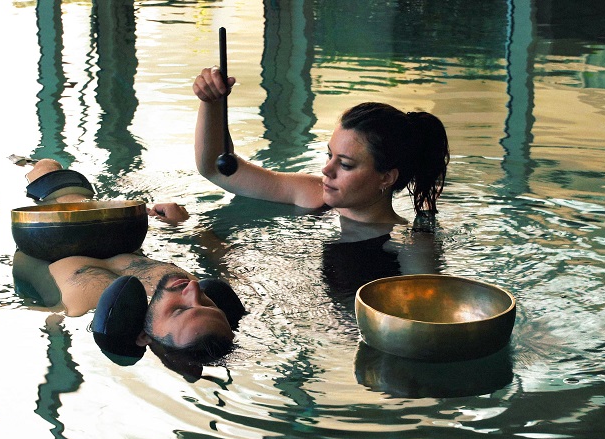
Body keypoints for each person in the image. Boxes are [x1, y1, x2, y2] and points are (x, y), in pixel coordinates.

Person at [0, 124, 242, 364]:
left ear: (144, 335)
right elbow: (221, 259)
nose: (193, 290)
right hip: (96, 228)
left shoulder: (70, 314)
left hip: (12, 244)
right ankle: (0, 147)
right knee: (48, 168)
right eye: (206, 301)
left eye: (180, 311)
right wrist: (186, 226)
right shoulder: (185, 285)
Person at [192, 67, 449, 284]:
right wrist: (211, 102)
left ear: (386, 178)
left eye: (345, 165)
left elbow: (424, 320)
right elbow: (217, 170)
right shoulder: (313, 195)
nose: (326, 170)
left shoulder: (409, 246)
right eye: (329, 155)